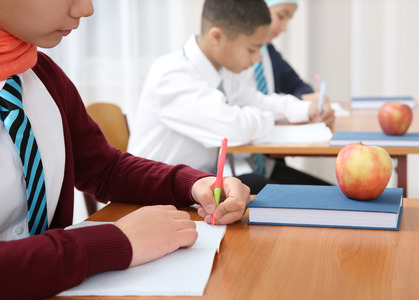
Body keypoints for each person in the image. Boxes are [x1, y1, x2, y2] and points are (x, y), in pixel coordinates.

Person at [0, 0, 251, 299]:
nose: (86, 9)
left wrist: (195, 185)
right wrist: (114, 241)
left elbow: (106, 169)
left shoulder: (41, 74)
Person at [128, 0, 335, 194]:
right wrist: (266, 118)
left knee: (328, 195)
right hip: (159, 198)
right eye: (252, 49)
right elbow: (235, 129)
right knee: (309, 205)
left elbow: (255, 100)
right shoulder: (171, 75)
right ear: (216, 37)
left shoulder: (222, 70)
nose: (256, 61)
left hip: (200, 186)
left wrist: (304, 109)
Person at [224, 0, 336, 190]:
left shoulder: (269, 53)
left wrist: (307, 105)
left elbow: (296, 87)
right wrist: (282, 113)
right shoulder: (229, 60)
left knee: (333, 193)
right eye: (281, 16)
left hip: (264, 161)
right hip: (236, 168)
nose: (284, 27)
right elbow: (243, 112)